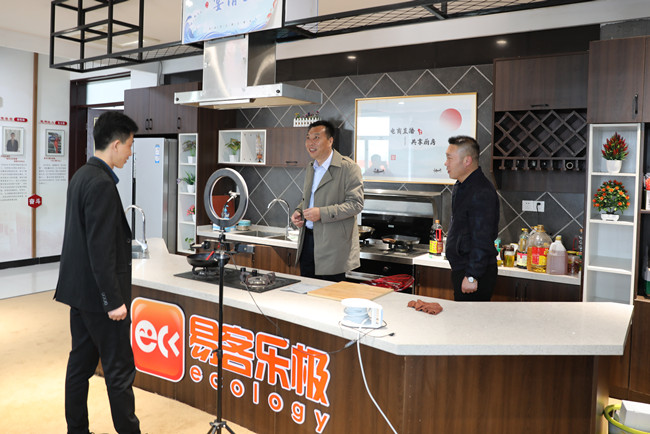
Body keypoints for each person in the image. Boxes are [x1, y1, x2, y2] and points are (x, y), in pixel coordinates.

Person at [54, 111, 140, 434]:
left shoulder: (81, 175)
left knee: (80, 364)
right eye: (129, 146)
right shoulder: (102, 184)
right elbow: (100, 249)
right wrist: (113, 301)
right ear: (115, 144)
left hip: (79, 293)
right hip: (100, 299)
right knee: (119, 371)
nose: (130, 153)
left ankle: (76, 429)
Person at [291, 120, 364, 282]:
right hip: (307, 241)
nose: (311, 143)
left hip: (334, 245)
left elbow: (356, 204)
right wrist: (299, 211)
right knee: (307, 290)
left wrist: (321, 213)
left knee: (330, 294)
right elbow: (310, 198)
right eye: (308, 138)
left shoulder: (349, 168)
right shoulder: (311, 166)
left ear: (330, 141)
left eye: (316, 138)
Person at [444, 135, 500, 301]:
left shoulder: (481, 191)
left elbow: (482, 237)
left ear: (467, 161)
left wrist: (471, 276)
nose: (446, 163)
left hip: (474, 272)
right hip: (462, 267)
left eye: (449, 158)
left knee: (470, 318)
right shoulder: (462, 185)